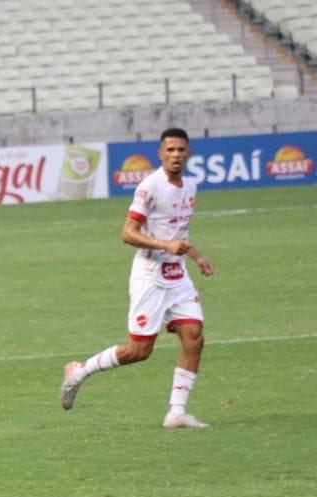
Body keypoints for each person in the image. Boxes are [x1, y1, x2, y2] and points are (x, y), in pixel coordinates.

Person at [59, 127, 215, 429]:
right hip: (150, 275)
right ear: (160, 154)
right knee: (140, 350)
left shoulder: (190, 188)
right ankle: (79, 370)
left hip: (177, 274)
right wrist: (165, 245)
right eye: (170, 150)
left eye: (181, 150)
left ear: (189, 154)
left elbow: (178, 233)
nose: (176, 155)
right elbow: (128, 233)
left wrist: (198, 258)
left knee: (194, 338)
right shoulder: (150, 186)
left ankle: (176, 413)